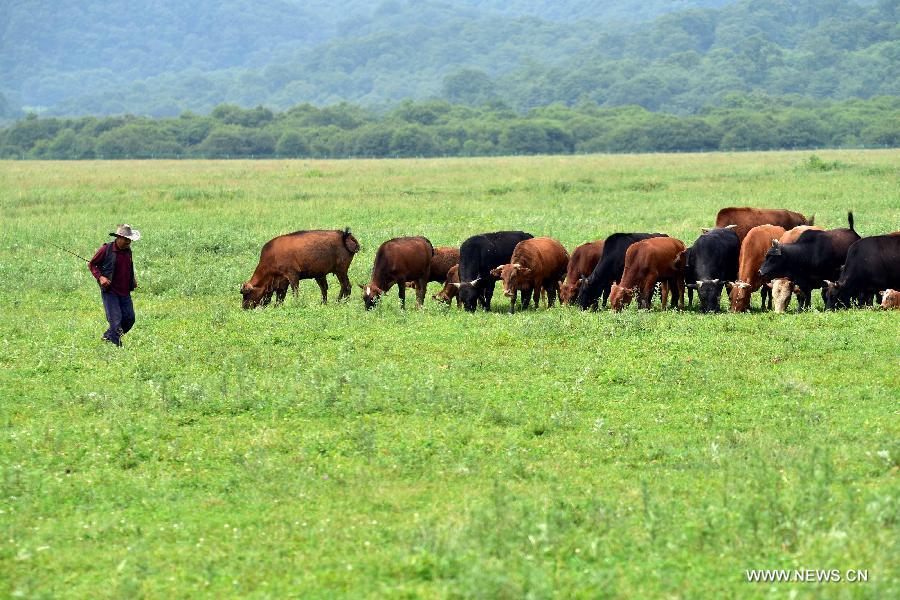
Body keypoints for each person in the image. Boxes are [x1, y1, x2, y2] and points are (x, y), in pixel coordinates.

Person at [88, 224, 140, 347]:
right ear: (118, 237)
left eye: (130, 240)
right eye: (126, 239)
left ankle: (108, 336)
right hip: (110, 291)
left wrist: (132, 279)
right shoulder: (106, 250)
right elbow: (92, 264)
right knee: (115, 322)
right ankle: (118, 347)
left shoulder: (128, 251)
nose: (129, 242)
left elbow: (127, 267)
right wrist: (100, 277)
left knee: (129, 319)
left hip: (125, 291)